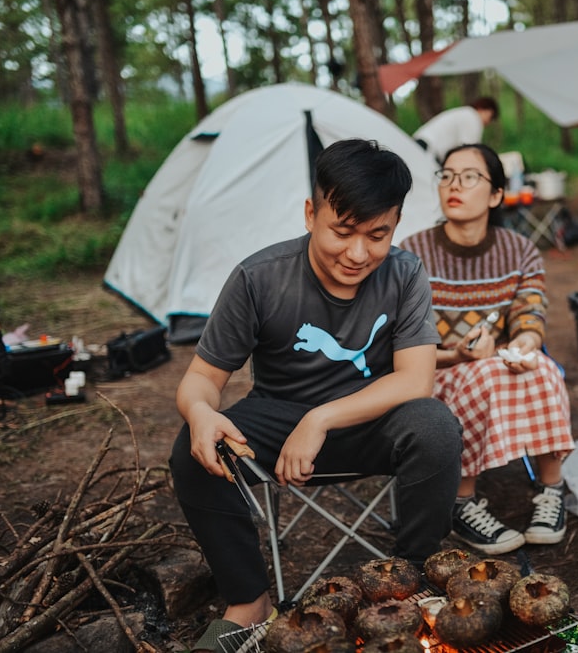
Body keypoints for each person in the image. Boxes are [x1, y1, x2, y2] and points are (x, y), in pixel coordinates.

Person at [170, 138, 463, 652]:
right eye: (342, 231)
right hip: (276, 420)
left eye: (377, 235)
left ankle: (413, 583)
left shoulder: (404, 273)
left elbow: (416, 381)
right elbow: (202, 378)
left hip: (370, 422)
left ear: (395, 225)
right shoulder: (259, 278)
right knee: (193, 451)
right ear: (312, 213)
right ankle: (249, 601)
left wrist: (322, 418)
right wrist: (199, 412)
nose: (357, 253)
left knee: (435, 423)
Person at [400, 143, 574, 555]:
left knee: (543, 367)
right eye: (447, 175)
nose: (454, 185)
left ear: (496, 194)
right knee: (481, 373)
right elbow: (404, 341)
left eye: (469, 177)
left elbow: (531, 315)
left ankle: (552, 490)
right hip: (434, 366)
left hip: (493, 360)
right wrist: (457, 354)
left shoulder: (520, 250)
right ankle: (461, 502)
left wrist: (524, 345)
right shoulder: (411, 254)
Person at [413, 97, 500, 166]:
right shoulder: (473, 117)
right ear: (485, 109)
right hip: (425, 149)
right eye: (491, 117)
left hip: (420, 145)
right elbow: (470, 150)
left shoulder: (465, 113)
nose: (489, 122)